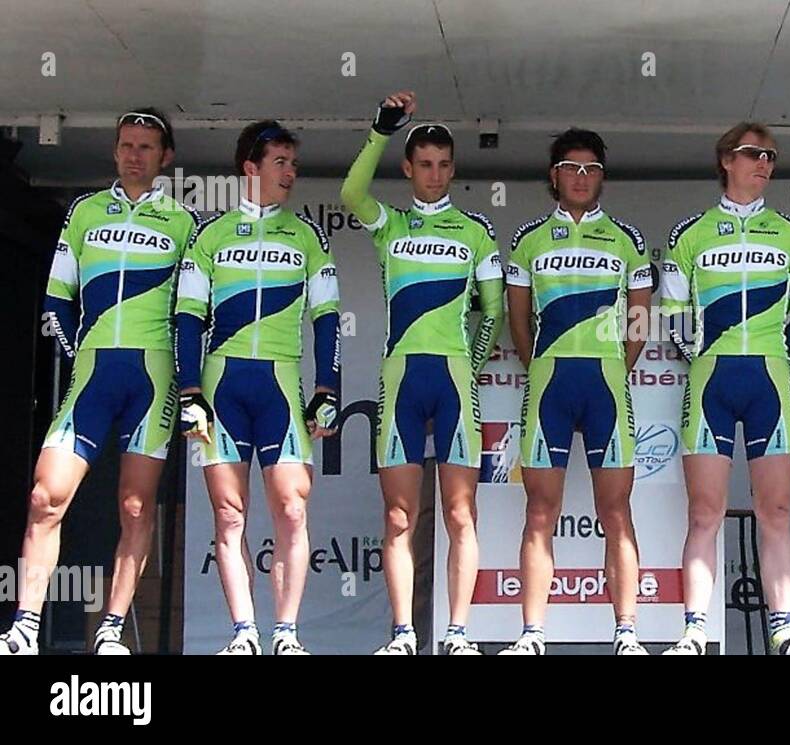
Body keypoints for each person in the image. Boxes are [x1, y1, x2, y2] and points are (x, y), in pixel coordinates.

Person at [0, 109, 198, 655]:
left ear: (166, 158)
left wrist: (187, 385)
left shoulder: (183, 222)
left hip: (152, 378)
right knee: (45, 497)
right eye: (126, 145)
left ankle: (110, 629)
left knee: (135, 507)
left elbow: (192, 312)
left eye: (146, 146)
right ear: (114, 152)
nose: (134, 154)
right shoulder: (84, 213)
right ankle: (24, 626)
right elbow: (57, 297)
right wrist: (80, 351)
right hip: (92, 375)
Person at [340, 91, 504, 655]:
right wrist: (381, 130)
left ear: (452, 169)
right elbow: (350, 193)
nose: (434, 175)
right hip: (402, 380)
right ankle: (404, 634)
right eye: (424, 165)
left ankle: (457, 634)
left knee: (461, 513)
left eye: (443, 165)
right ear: (408, 169)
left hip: (454, 379)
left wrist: (471, 365)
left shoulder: (475, 232)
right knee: (398, 513)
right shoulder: (390, 224)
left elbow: (494, 310)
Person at [174, 121, 341, 655]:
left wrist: (327, 388)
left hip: (281, 383)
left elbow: (328, 319)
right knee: (229, 513)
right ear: (251, 167)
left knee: (292, 508)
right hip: (221, 384)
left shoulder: (308, 235)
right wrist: (188, 392)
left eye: (293, 163)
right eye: (280, 162)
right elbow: (185, 320)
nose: (291, 173)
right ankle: (244, 633)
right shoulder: (211, 235)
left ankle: (286, 634)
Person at [660, 122, 790, 655]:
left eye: (771, 157)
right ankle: (693, 630)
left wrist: (776, 354)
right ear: (726, 159)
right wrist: (701, 356)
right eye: (754, 154)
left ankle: (784, 630)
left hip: (769, 383)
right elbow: (673, 313)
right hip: (711, 381)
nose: (765, 164)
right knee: (705, 513)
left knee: (774, 512)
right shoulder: (692, 233)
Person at [499, 128, 653, 655]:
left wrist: (616, 367)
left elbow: (640, 319)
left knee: (617, 512)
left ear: (602, 176)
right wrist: (538, 363)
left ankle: (627, 632)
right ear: (554, 175)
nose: (581, 177)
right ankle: (533, 633)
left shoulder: (627, 239)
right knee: (540, 511)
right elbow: (516, 318)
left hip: (606, 385)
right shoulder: (529, 240)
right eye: (571, 167)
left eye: (591, 168)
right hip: (549, 386)